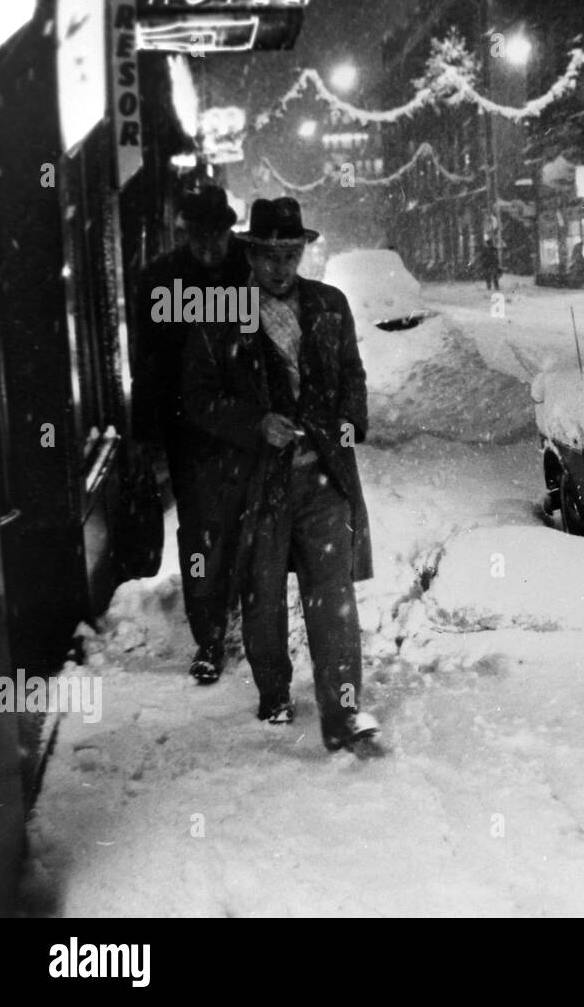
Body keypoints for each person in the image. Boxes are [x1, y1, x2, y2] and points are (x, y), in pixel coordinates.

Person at [183, 198, 382, 756]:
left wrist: (345, 426)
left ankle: (343, 718)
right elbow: (196, 399)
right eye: (269, 254)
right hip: (257, 484)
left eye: (290, 253)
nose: (279, 266)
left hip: (323, 480)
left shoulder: (328, 305)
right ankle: (274, 691)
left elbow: (351, 376)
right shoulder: (219, 312)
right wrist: (253, 424)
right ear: (251, 252)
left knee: (333, 598)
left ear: (303, 251)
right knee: (263, 598)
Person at [135, 185, 247, 685]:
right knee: (199, 531)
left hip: (248, 425)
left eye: (217, 235)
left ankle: (247, 617)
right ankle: (209, 634)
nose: (209, 247)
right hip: (188, 432)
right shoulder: (160, 280)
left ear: (229, 229)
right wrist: (145, 438)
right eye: (199, 237)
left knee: (249, 526)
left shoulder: (252, 269)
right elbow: (149, 364)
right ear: (185, 234)